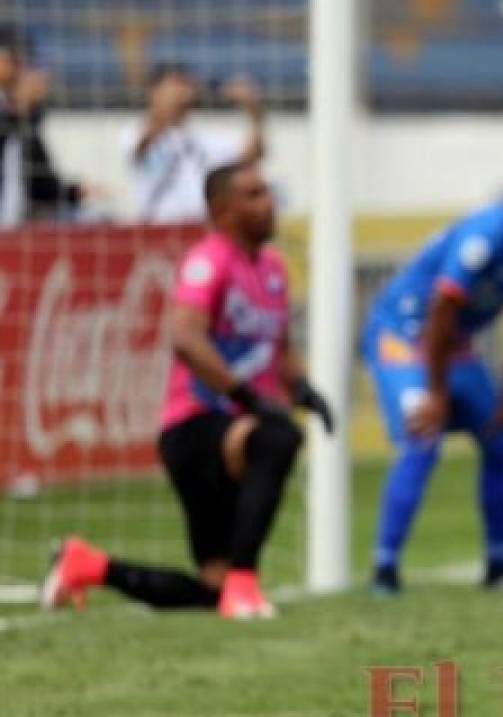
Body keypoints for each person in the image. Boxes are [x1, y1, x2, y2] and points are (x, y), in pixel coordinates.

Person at [42, 161, 334, 620]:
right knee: (277, 438)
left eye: (267, 191)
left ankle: (90, 566)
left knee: (208, 592)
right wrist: (248, 398)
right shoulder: (208, 261)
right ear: (222, 211)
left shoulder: (274, 267)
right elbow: (185, 338)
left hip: (232, 425)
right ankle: (245, 581)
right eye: (254, 195)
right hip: (195, 427)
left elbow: (279, 347)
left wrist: (303, 390)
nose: (269, 202)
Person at [363, 166, 503, 595]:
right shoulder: (486, 236)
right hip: (403, 335)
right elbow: (441, 310)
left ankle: (498, 568)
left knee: (502, 438)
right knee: (422, 436)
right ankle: (384, 570)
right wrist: (437, 393)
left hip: (452, 342)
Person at [124, 63, 266, 223]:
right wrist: (169, 105)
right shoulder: (134, 132)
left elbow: (251, 156)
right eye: (176, 85)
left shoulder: (200, 138)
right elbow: (141, 146)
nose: (183, 93)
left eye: (186, 85)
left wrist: (254, 112)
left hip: (200, 227)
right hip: (159, 229)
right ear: (153, 91)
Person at [0, 26, 87, 225]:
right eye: (13, 59)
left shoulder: (28, 122)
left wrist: (74, 192)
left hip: (12, 229)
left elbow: (39, 182)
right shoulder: (14, 115)